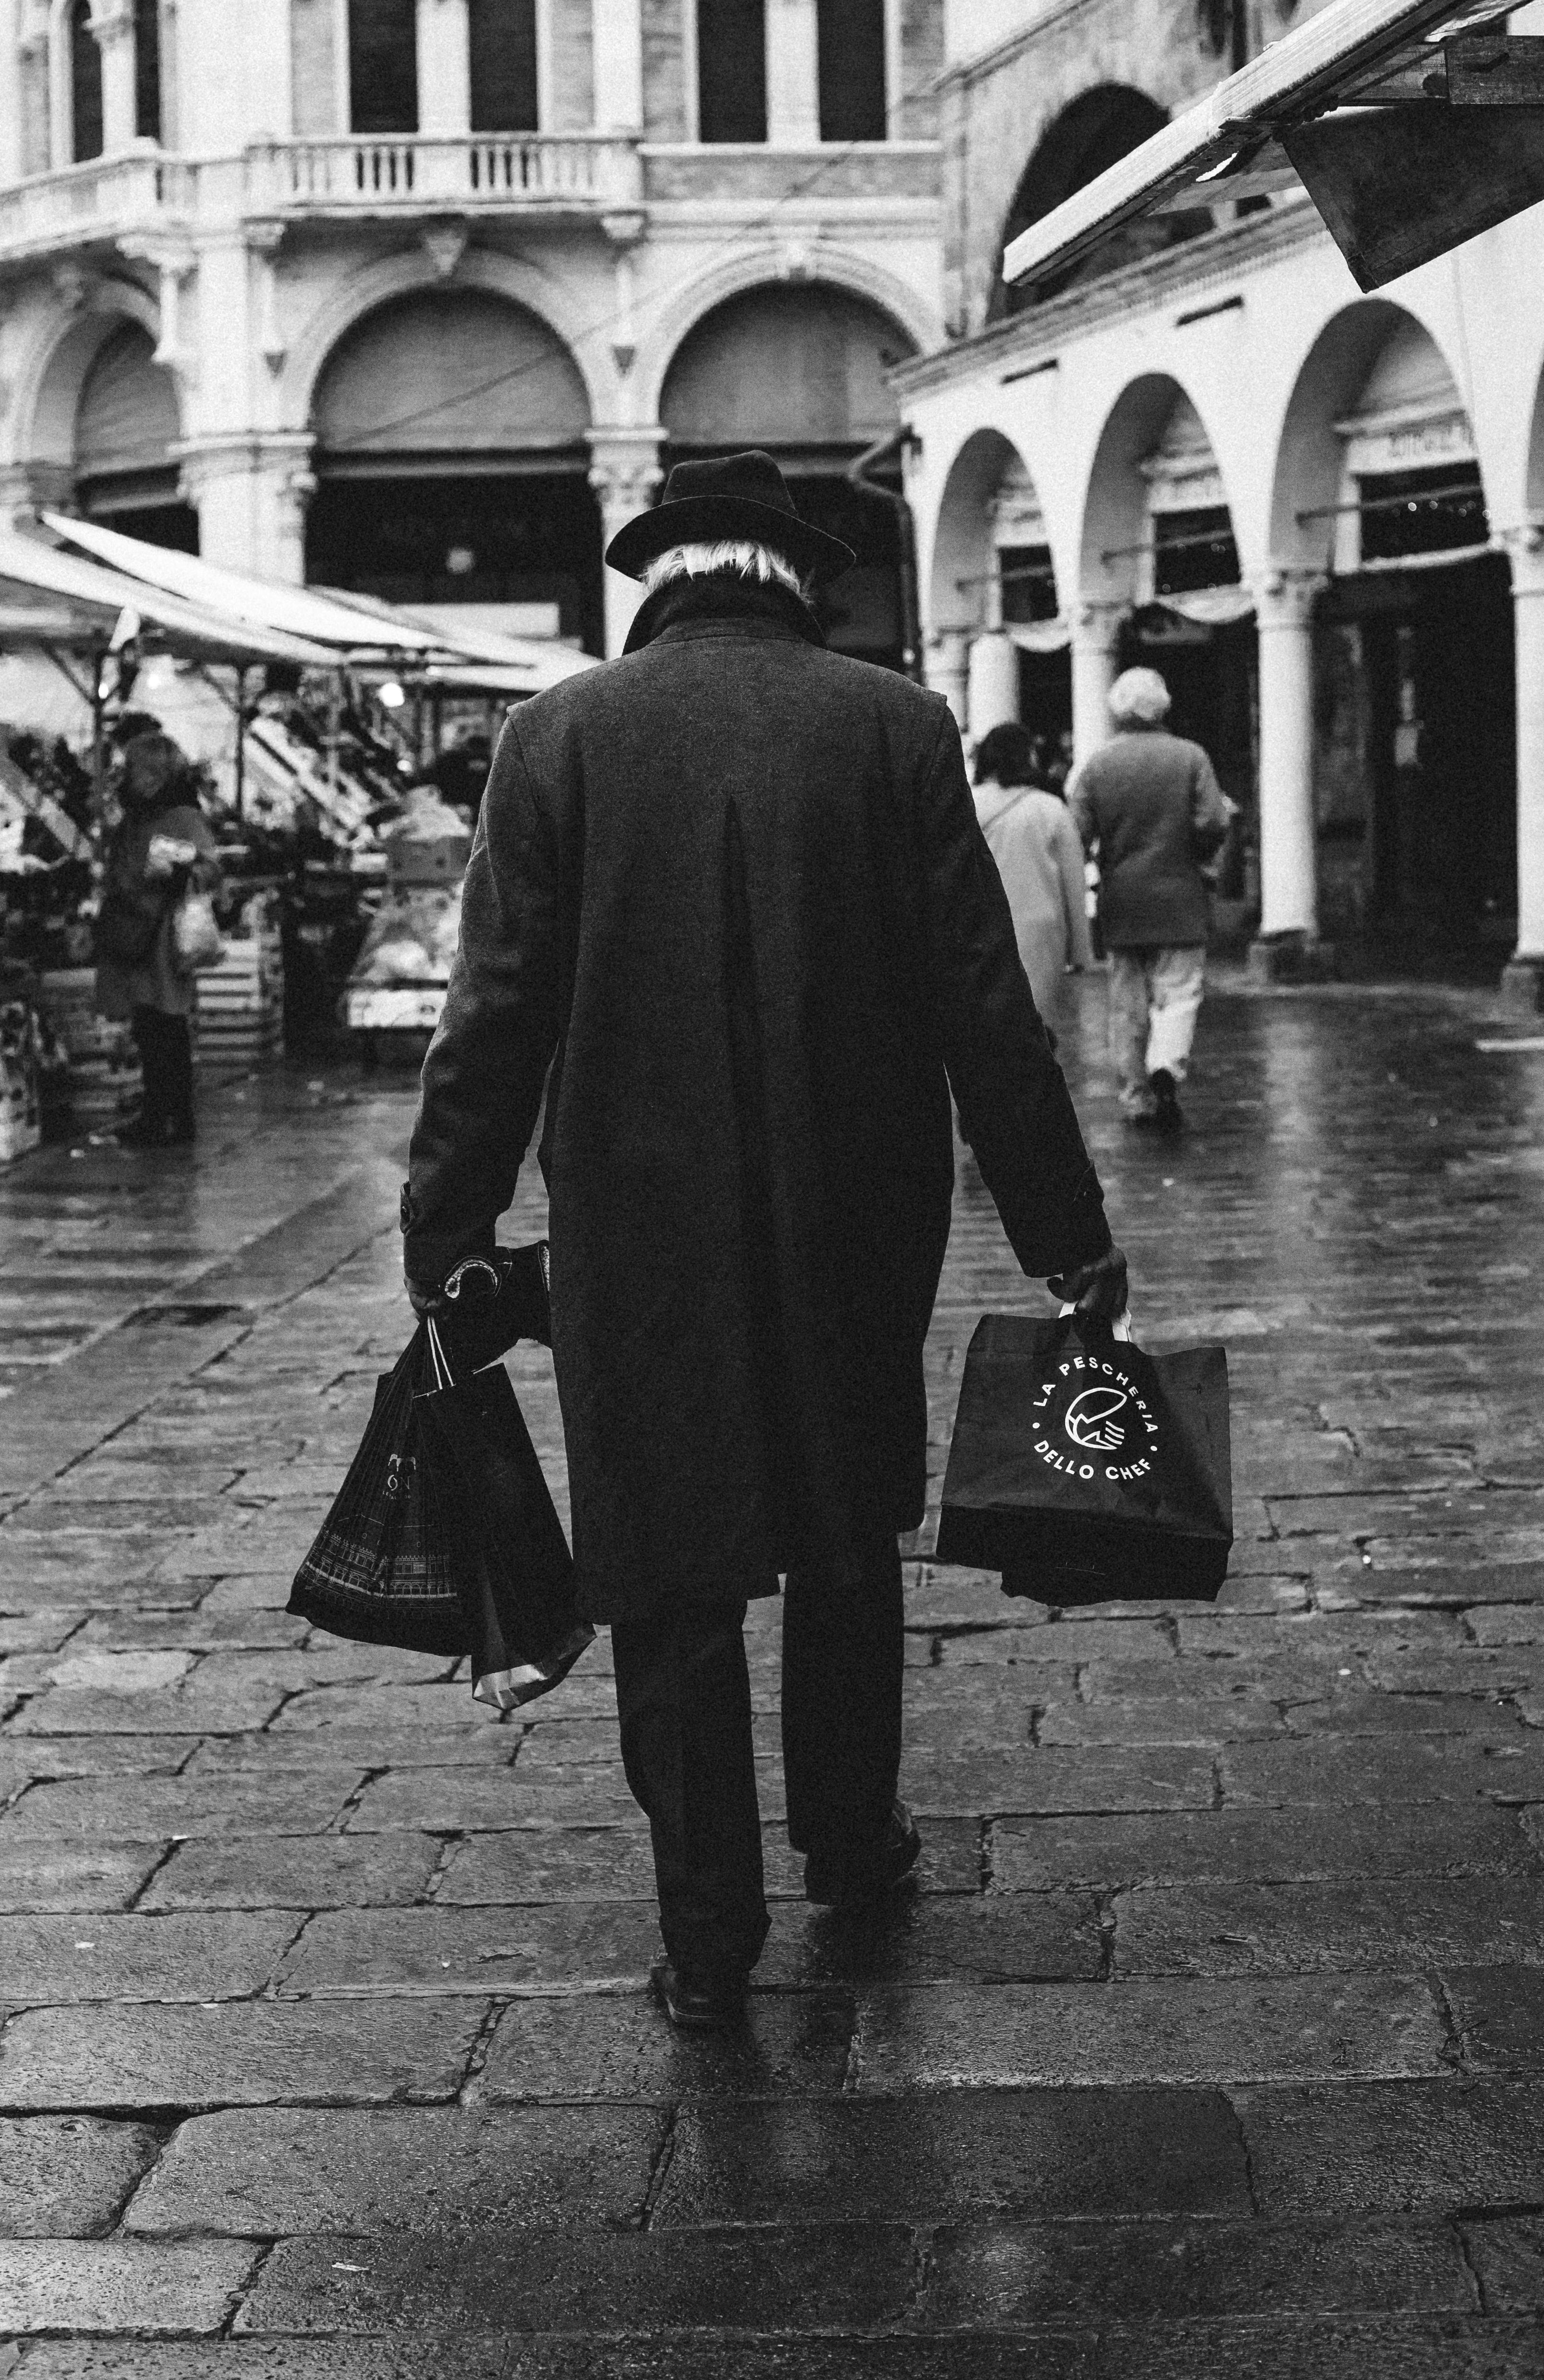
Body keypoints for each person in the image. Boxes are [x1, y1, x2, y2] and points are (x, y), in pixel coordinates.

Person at [399, 452, 1126, 2031]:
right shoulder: (889, 727)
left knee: (662, 1567)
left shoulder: (556, 735)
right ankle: (850, 1846)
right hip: (857, 1217)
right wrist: (1065, 1237)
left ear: (661, 575)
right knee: (843, 1532)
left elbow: (492, 1012)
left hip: (630, 1226)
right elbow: (980, 1012)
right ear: (800, 578)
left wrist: (442, 1227)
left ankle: (706, 1928)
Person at [1069, 666, 1229, 1133]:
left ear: (1118, 710)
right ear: (1163, 707)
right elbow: (1214, 823)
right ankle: (1166, 1066)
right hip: (1180, 895)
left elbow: (1076, 832)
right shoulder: (1191, 757)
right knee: (1178, 993)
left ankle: (1136, 1093)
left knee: (1127, 1001)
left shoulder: (1098, 766)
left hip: (1122, 900)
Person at [93, 724, 219, 1150]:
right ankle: (157, 1114)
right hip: (135, 931)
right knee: (148, 1026)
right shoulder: (133, 819)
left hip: (163, 937)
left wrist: (183, 871)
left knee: (167, 1026)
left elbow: (210, 869)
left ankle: (174, 1116)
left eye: (133, 769)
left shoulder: (182, 818)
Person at [971, 720, 1091, 1035]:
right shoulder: (1051, 809)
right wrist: (1080, 950)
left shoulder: (965, 805)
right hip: (1041, 936)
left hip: (977, 931)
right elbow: (1073, 884)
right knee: (1035, 1027)